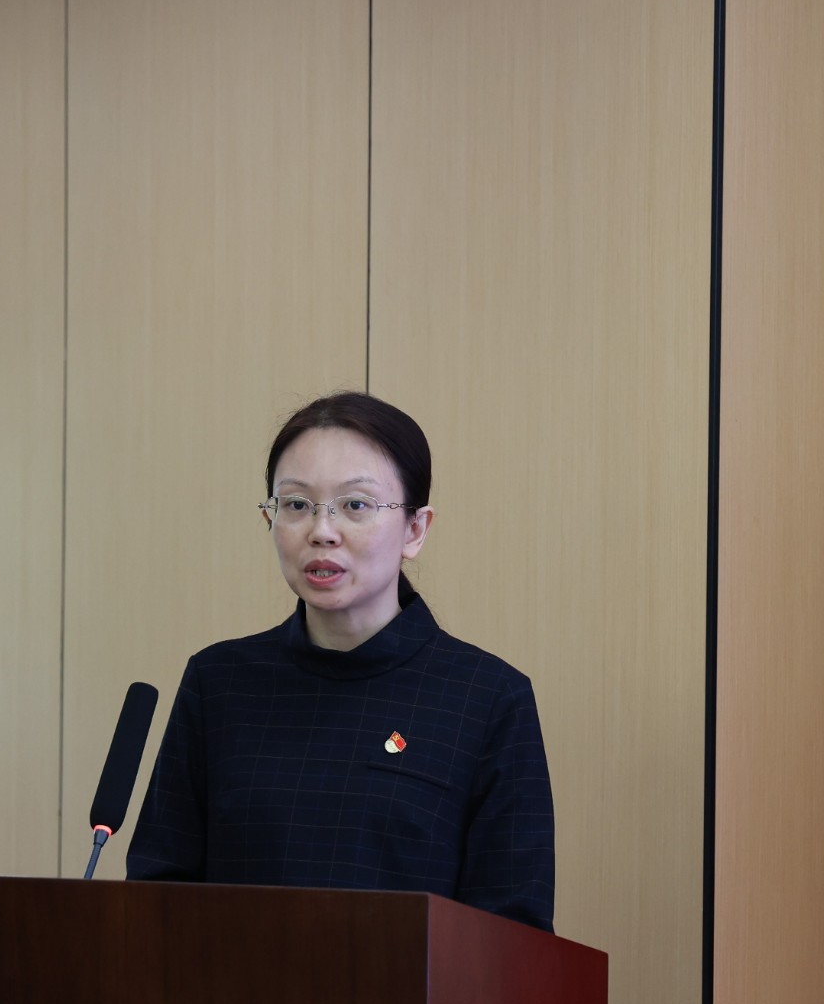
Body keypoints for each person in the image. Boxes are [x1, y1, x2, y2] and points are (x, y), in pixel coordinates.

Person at [126, 391, 555, 932]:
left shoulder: (487, 698)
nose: (321, 531)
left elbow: (514, 930)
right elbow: (158, 894)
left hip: (407, 991)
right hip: (230, 989)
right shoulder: (219, 683)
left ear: (416, 530)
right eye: (296, 505)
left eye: (355, 505)